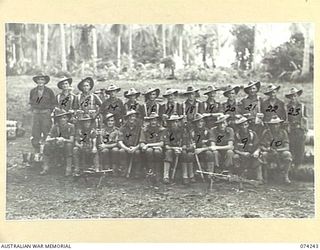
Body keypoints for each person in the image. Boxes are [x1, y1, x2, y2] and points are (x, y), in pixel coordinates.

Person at [41, 109, 75, 176]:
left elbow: (71, 140)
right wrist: (56, 138)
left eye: (64, 118)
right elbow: (47, 138)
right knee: (47, 145)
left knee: (69, 146)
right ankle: (46, 167)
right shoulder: (55, 127)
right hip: (56, 144)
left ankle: (68, 169)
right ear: (58, 119)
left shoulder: (71, 127)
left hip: (66, 144)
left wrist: (63, 139)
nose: (62, 120)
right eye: (61, 118)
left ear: (67, 119)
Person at [259, 116, 292, 184]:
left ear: (280, 124)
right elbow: (261, 145)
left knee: (287, 154)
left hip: (280, 152)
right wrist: (267, 149)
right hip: (269, 152)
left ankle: (286, 176)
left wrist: (277, 150)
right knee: (264, 155)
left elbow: (287, 147)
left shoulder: (283, 132)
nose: (275, 126)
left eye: (277, 124)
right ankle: (265, 177)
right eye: (273, 124)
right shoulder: (266, 132)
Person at [29, 73, 56, 154]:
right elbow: (31, 102)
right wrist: (33, 110)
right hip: (36, 114)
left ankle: (46, 150)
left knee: (46, 130)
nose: (40, 81)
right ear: (36, 81)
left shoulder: (49, 91)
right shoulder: (33, 91)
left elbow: (53, 103)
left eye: (42, 79)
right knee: (35, 132)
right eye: (39, 79)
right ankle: (37, 150)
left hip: (46, 114)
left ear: (45, 81)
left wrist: (49, 111)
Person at [232, 116, 263, 182]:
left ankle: (259, 178)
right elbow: (235, 149)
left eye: (245, 125)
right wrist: (243, 153)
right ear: (239, 126)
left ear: (248, 125)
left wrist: (256, 152)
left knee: (258, 159)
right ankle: (239, 175)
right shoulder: (237, 135)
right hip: (241, 156)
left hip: (251, 155)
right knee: (235, 157)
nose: (244, 127)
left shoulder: (252, 134)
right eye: (241, 125)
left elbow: (258, 146)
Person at [285, 87, 308, 168]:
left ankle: (298, 165)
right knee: (292, 146)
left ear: (298, 96)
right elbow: (286, 119)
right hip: (291, 129)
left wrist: (305, 130)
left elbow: (305, 119)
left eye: (295, 96)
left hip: (300, 129)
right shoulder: (287, 107)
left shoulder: (302, 106)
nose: (293, 98)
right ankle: (291, 164)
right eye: (291, 96)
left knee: (300, 147)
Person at [139, 112, 165, 183]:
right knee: (149, 151)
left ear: (157, 121)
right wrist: (144, 146)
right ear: (149, 121)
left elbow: (162, 143)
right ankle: (150, 171)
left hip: (158, 149)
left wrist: (148, 145)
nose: (153, 122)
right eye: (152, 120)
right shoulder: (145, 130)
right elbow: (142, 141)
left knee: (157, 151)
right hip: (148, 149)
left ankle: (158, 172)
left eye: (155, 120)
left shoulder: (161, 130)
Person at [163, 114, 188, 184]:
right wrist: (174, 148)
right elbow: (166, 146)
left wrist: (180, 148)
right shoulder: (167, 131)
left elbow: (185, 144)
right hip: (171, 150)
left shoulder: (183, 131)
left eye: (176, 122)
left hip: (180, 150)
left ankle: (185, 176)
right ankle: (166, 176)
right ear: (170, 123)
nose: (175, 124)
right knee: (168, 152)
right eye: (173, 122)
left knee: (184, 152)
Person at [118, 110, 142, 178]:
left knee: (137, 152)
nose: (132, 118)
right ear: (127, 118)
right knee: (121, 151)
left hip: (136, 147)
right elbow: (120, 141)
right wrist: (126, 148)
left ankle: (137, 172)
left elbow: (142, 141)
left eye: (133, 116)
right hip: (126, 147)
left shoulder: (139, 128)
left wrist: (135, 148)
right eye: (130, 117)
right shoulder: (122, 128)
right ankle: (124, 171)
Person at [191, 113, 215, 179]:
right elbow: (189, 142)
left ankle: (210, 174)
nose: (199, 123)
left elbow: (212, 146)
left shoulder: (207, 132)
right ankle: (192, 174)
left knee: (209, 153)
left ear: (204, 122)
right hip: (195, 151)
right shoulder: (192, 132)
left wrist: (202, 149)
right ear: (195, 123)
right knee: (189, 154)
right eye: (197, 122)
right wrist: (192, 145)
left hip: (205, 151)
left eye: (201, 121)